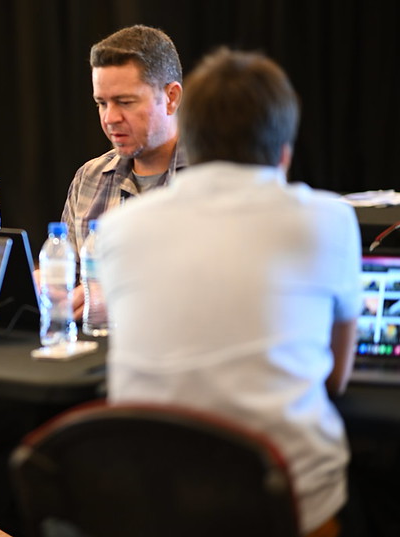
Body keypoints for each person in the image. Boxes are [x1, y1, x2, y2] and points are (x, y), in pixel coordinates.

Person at [96, 48, 361, 537]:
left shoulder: (119, 227)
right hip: (285, 503)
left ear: (188, 135)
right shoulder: (330, 220)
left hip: (151, 503)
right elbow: (335, 381)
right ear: (284, 151)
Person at [59, 24, 185, 317]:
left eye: (125, 102)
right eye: (101, 103)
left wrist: (119, 300)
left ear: (171, 97)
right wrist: (50, 283)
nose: (110, 118)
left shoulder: (214, 179)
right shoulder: (89, 178)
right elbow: (68, 272)